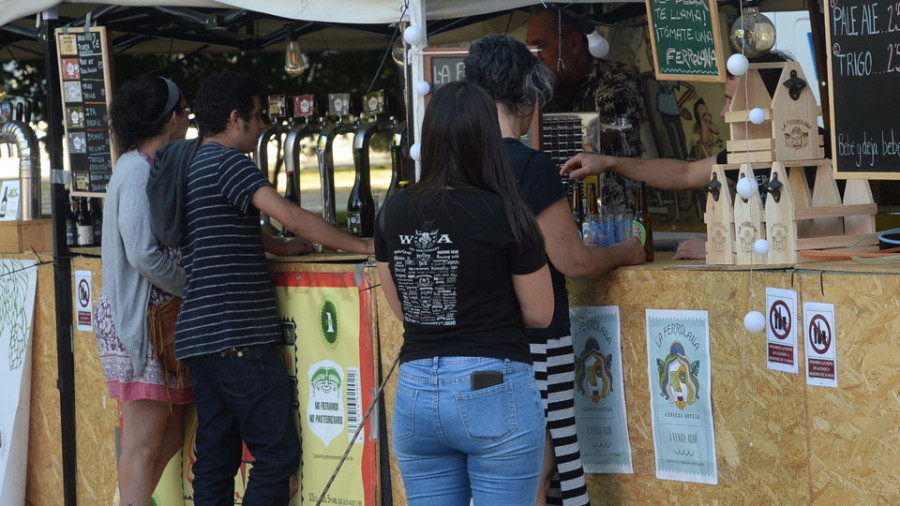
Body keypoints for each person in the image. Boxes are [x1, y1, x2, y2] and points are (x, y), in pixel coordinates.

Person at [464, 34, 646, 506]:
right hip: (539, 340)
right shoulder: (530, 168)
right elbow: (574, 261)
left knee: (505, 460)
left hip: (479, 341)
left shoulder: (457, 167)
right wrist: (626, 251)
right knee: (547, 459)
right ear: (527, 94)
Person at [177, 71, 373, 505]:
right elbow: (291, 215)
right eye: (256, 115)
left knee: (214, 458)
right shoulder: (229, 162)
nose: (263, 124)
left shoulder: (192, 165)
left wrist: (282, 247)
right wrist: (361, 244)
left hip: (199, 337)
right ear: (234, 119)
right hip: (238, 336)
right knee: (276, 453)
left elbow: (222, 228)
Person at [375, 81, 553, 506]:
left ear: (431, 137)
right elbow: (540, 312)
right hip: (491, 382)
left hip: (416, 388)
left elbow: (401, 306)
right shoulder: (507, 211)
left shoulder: (395, 208)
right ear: (487, 138)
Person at [562, 51, 794, 260]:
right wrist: (609, 162)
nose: (723, 113)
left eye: (731, 102)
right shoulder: (746, 151)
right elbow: (685, 173)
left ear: (765, 103)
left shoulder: (807, 148)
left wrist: (720, 247)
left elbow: (821, 233)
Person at [94, 75, 192, 506]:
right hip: (142, 325)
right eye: (185, 111)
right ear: (172, 119)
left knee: (167, 438)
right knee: (144, 444)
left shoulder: (151, 165)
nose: (189, 119)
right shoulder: (135, 170)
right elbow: (143, 254)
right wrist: (195, 287)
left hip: (161, 324)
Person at [526, 5, 645, 211]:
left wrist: (533, 120)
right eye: (529, 48)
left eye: (540, 46)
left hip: (610, 213)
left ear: (573, 43)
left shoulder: (617, 77)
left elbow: (600, 133)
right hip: (555, 208)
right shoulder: (538, 88)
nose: (535, 57)